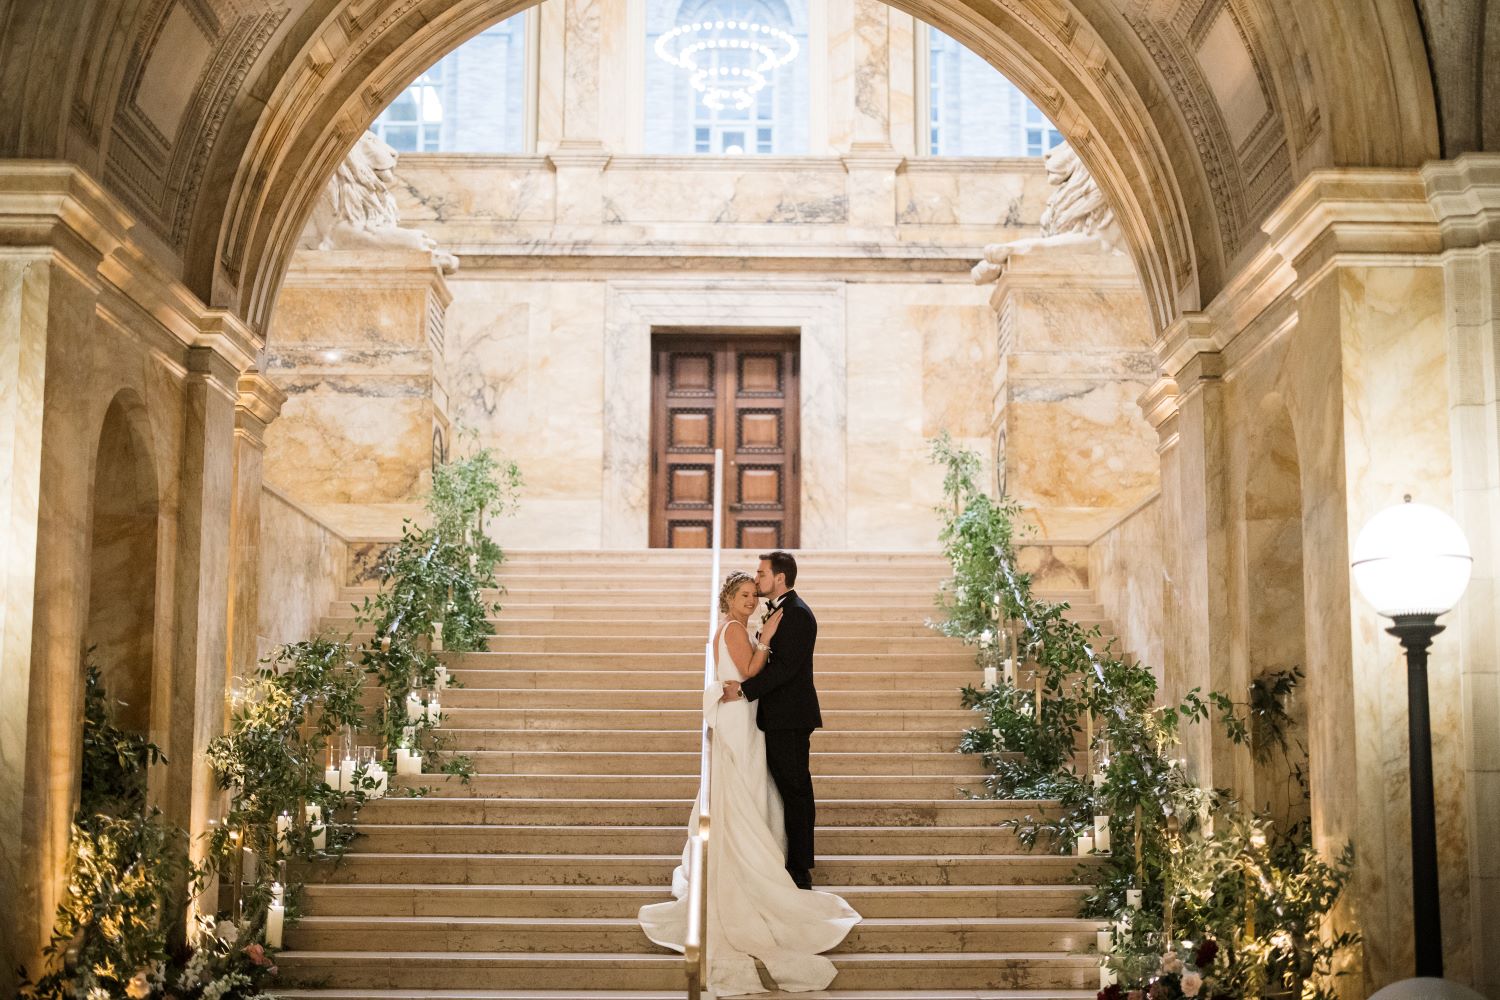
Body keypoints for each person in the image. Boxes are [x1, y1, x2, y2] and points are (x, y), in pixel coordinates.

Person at [639, 570, 858, 996]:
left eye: (752, 595)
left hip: (743, 717)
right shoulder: (735, 628)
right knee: (744, 783)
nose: (750, 601)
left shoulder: (734, 626)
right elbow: (750, 671)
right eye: (743, 594)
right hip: (740, 719)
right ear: (728, 597)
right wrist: (768, 638)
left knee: (752, 787)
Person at [722, 550, 820, 890]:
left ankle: (800, 867)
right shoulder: (781, 612)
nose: (757, 578)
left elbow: (785, 669)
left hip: (790, 716)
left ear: (779, 577)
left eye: (761, 574)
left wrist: (745, 691)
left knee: (795, 789)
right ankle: (790, 859)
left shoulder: (797, 615)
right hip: (777, 715)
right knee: (790, 789)